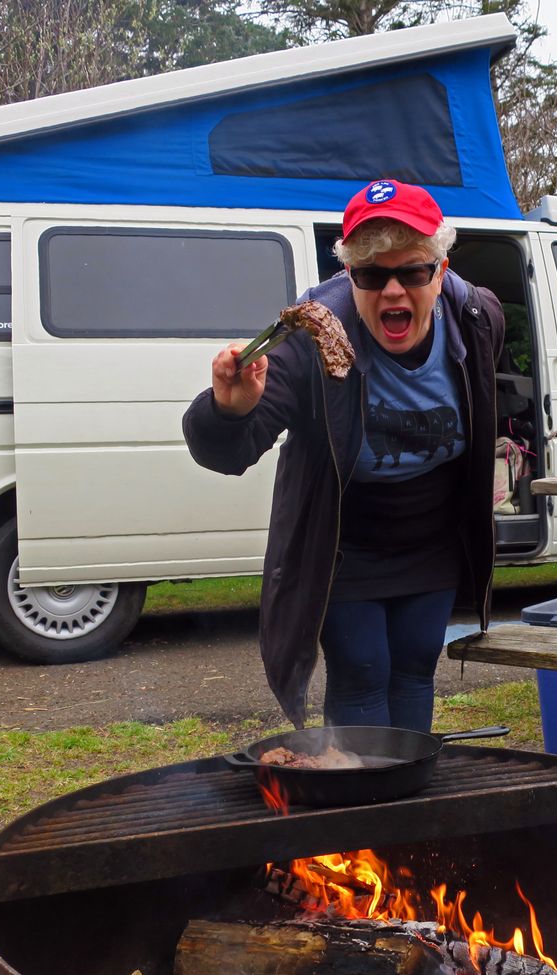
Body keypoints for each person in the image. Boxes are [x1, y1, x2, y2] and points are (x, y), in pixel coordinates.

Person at [183, 178, 504, 732]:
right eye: (372, 275)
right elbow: (230, 450)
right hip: (343, 542)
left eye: (412, 272)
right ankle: (358, 798)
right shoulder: (311, 333)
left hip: (433, 533)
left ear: (441, 271)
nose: (394, 291)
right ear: (350, 276)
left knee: (414, 665)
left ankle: (404, 792)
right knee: (361, 668)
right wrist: (229, 410)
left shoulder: (478, 320)